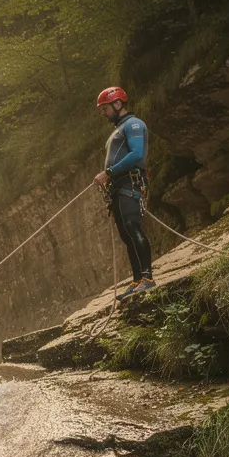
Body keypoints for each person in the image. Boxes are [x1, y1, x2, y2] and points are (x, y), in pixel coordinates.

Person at [93, 86, 156, 301]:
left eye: (105, 108)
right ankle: (137, 279)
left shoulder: (134, 124)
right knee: (126, 234)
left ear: (118, 104)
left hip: (130, 182)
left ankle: (147, 278)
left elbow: (137, 154)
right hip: (119, 186)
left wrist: (108, 172)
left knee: (132, 226)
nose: (103, 113)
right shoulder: (118, 129)